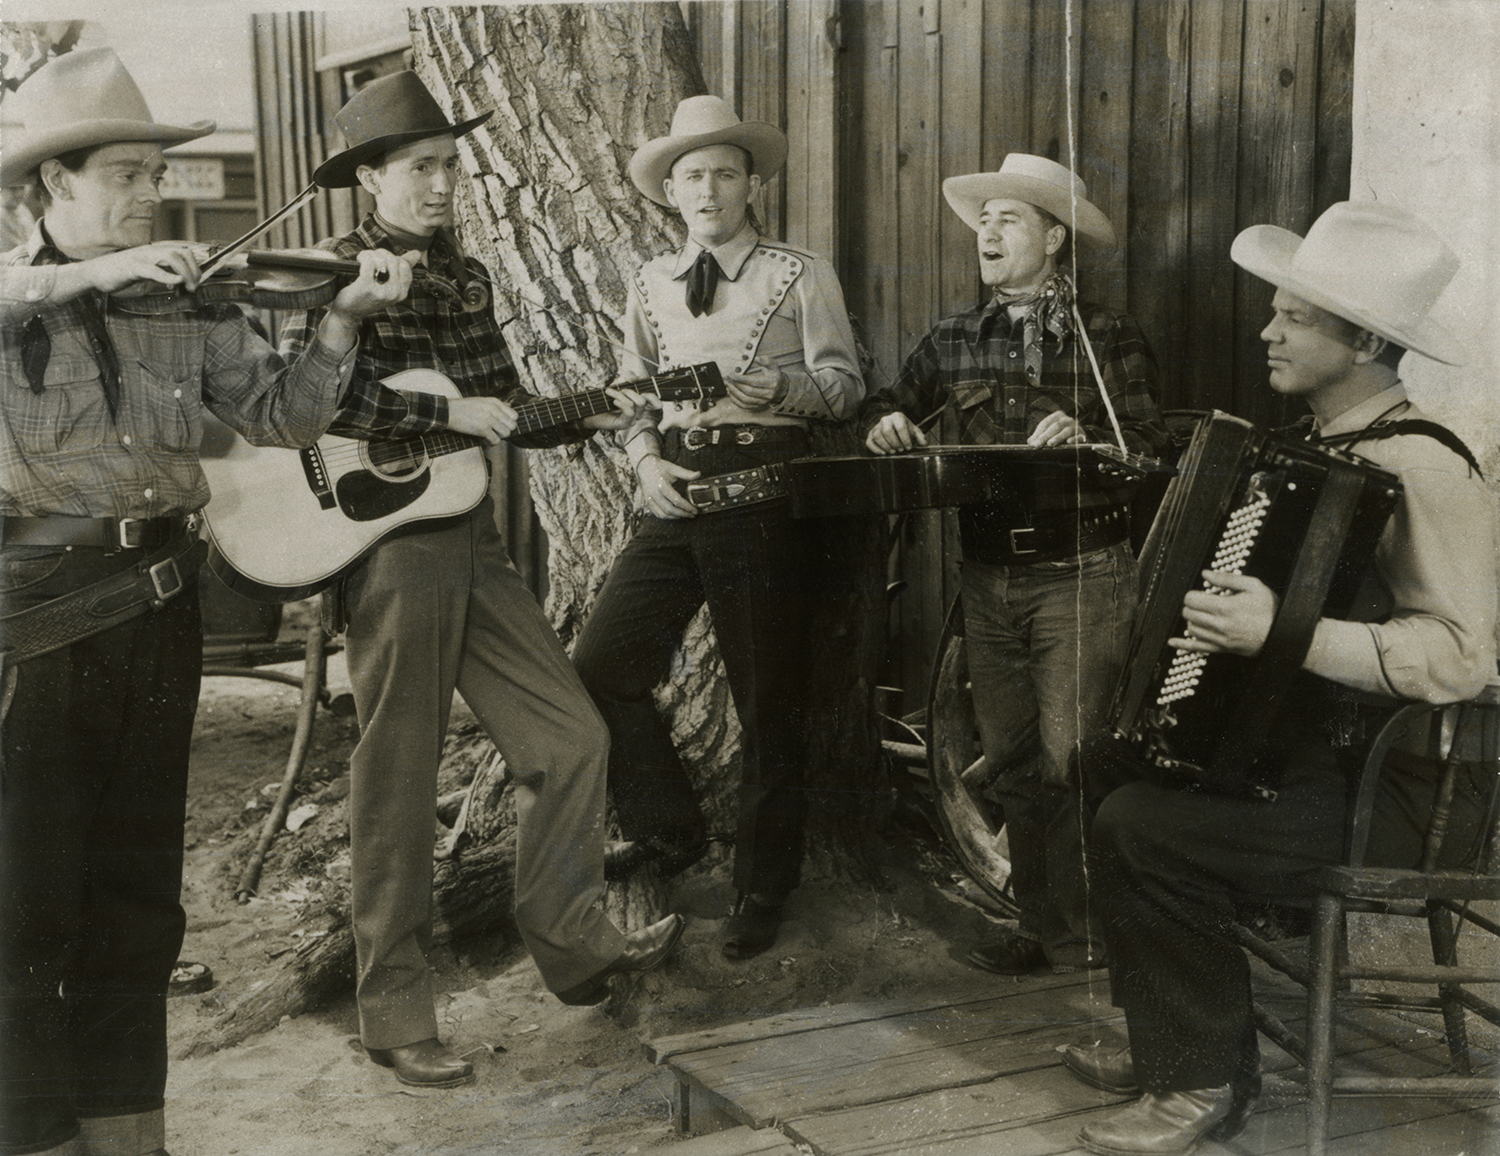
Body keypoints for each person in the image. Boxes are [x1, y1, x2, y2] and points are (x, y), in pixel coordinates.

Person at [0, 49, 406, 1156]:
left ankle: (133, 1136)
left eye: (152, 173)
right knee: (25, 910)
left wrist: (341, 323)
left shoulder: (185, 299)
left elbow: (283, 418)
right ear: (51, 189)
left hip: (160, 610)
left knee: (139, 902)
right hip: (36, 623)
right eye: (124, 174)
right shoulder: (18, 289)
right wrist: (90, 277)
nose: (151, 194)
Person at [277, 71, 684, 1090]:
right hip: (386, 546)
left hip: (473, 539)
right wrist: (444, 416)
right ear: (369, 176)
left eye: (453, 164)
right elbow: (301, 409)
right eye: (423, 166)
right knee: (398, 777)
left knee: (572, 734)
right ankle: (396, 1011)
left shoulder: (466, 279)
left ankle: (571, 938)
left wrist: (598, 411)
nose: (445, 181)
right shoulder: (321, 273)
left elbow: (497, 404)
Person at [1067, 201, 1497, 1156]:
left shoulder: (1425, 466)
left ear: (1369, 341)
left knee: (1142, 827)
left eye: (1296, 316)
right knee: (1108, 762)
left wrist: (1282, 633)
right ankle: (1172, 1043)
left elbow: (1462, 658)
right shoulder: (1313, 456)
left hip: (1392, 796)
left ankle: (1200, 1084)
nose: (1269, 329)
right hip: (1311, 772)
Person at [858, 153, 1168, 975]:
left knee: (1079, 762)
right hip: (986, 581)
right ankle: (1046, 930)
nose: (988, 234)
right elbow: (886, 402)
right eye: (984, 221)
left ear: (1056, 237)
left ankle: (1109, 943)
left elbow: (1152, 448)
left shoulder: (1108, 337)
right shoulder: (954, 337)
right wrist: (886, 426)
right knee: (1016, 763)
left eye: (1010, 220)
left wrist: (1089, 437)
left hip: (1083, 575)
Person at [571, 96, 864, 960]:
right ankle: (673, 831)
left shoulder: (798, 272)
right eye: (690, 175)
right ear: (670, 192)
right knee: (601, 666)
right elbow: (630, 392)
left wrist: (788, 393)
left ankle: (764, 885)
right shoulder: (649, 283)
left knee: (766, 698)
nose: (707, 188)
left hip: (764, 495)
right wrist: (643, 461)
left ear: (751, 185)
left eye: (724, 173)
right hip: (674, 490)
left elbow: (846, 386)